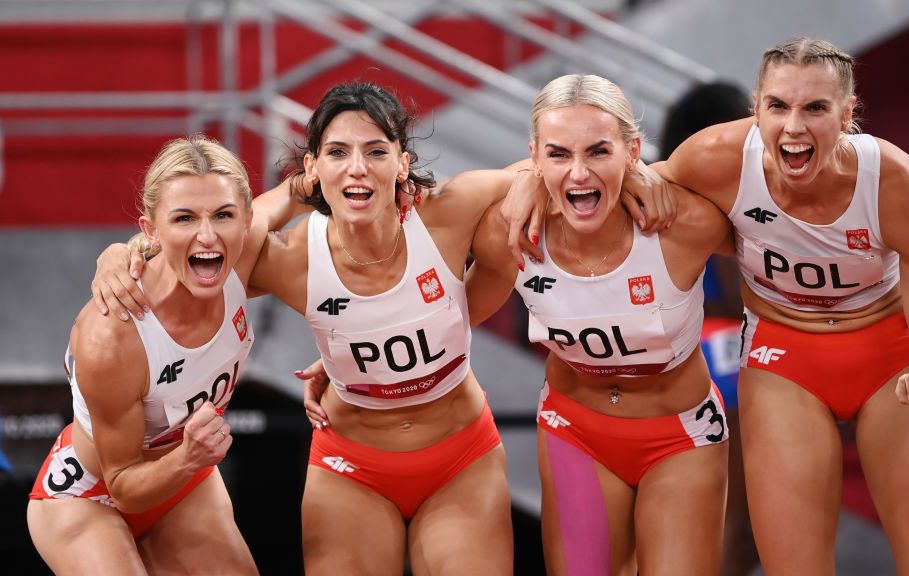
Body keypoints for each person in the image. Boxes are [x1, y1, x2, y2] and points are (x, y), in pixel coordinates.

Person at [504, 38, 909, 575]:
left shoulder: (902, 184)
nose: (793, 126)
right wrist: (525, 179)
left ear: (848, 113)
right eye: (778, 106)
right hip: (784, 356)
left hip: (889, 352)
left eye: (815, 108)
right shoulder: (714, 159)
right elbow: (591, 163)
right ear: (756, 109)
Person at [93, 82, 520, 575]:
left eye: (376, 151)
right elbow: (198, 242)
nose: (357, 168)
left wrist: (635, 177)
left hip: (461, 458)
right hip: (352, 469)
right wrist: (121, 256)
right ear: (313, 167)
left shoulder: (451, 210)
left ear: (402, 162)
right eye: (337, 152)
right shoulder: (291, 258)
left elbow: (540, 171)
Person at [466, 74, 732, 575]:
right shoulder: (508, 229)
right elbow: (447, 315)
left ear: (633, 151)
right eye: (559, 154)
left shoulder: (684, 224)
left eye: (599, 152)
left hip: (681, 436)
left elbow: (777, 228)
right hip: (576, 430)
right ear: (536, 155)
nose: (579, 173)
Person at [26, 135, 274, 574]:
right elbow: (122, 485)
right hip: (91, 495)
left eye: (223, 215)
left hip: (183, 480)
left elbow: (308, 188)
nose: (207, 235)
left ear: (247, 220)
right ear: (150, 229)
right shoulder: (113, 334)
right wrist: (188, 457)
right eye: (184, 218)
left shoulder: (241, 257)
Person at [661, 80, 758, 576]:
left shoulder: (661, 192)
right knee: (738, 532)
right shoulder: (728, 195)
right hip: (727, 355)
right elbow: (743, 286)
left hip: (671, 359)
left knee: (678, 534)